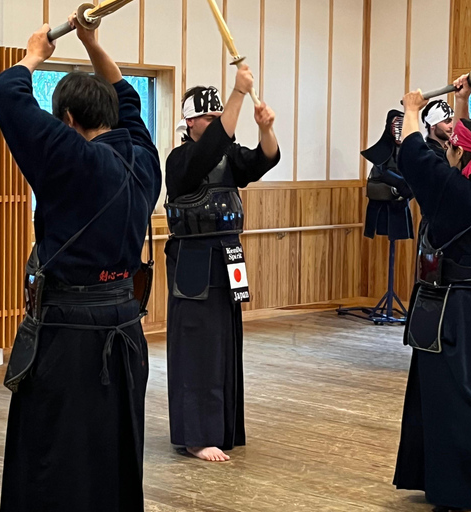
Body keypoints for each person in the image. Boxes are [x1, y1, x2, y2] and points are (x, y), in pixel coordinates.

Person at [0, 16, 161, 511]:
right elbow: (127, 96)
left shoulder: (70, 157)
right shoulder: (143, 156)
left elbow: (6, 91)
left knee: (53, 453)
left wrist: (34, 54)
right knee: (115, 447)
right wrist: (92, 44)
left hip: (69, 330)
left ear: (66, 120)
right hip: (125, 324)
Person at [394, 75, 471, 512]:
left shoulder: (451, 191)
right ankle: (446, 481)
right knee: (465, 397)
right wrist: (462, 102)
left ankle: (460, 491)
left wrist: (410, 108)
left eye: (452, 146)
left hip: (450, 311)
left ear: (460, 152)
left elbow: (411, 153)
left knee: (453, 401)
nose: (446, 148)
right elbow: (460, 153)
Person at [164, 70, 280, 462]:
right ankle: (196, 435)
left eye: (218, 117)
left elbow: (261, 161)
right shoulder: (180, 160)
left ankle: (222, 426)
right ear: (190, 121)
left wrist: (266, 129)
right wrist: (237, 94)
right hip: (193, 263)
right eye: (208, 118)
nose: (215, 123)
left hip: (228, 255)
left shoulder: (227, 155)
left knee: (225, 345)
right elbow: (209, 150)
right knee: (198, 347)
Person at [363, 110, 415, 241]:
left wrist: (409, 188)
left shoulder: (408, 149)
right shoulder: (382, 149)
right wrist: (400, 183)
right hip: (382, 202)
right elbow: (380, 171)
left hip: (401, 202)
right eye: (396, 125)